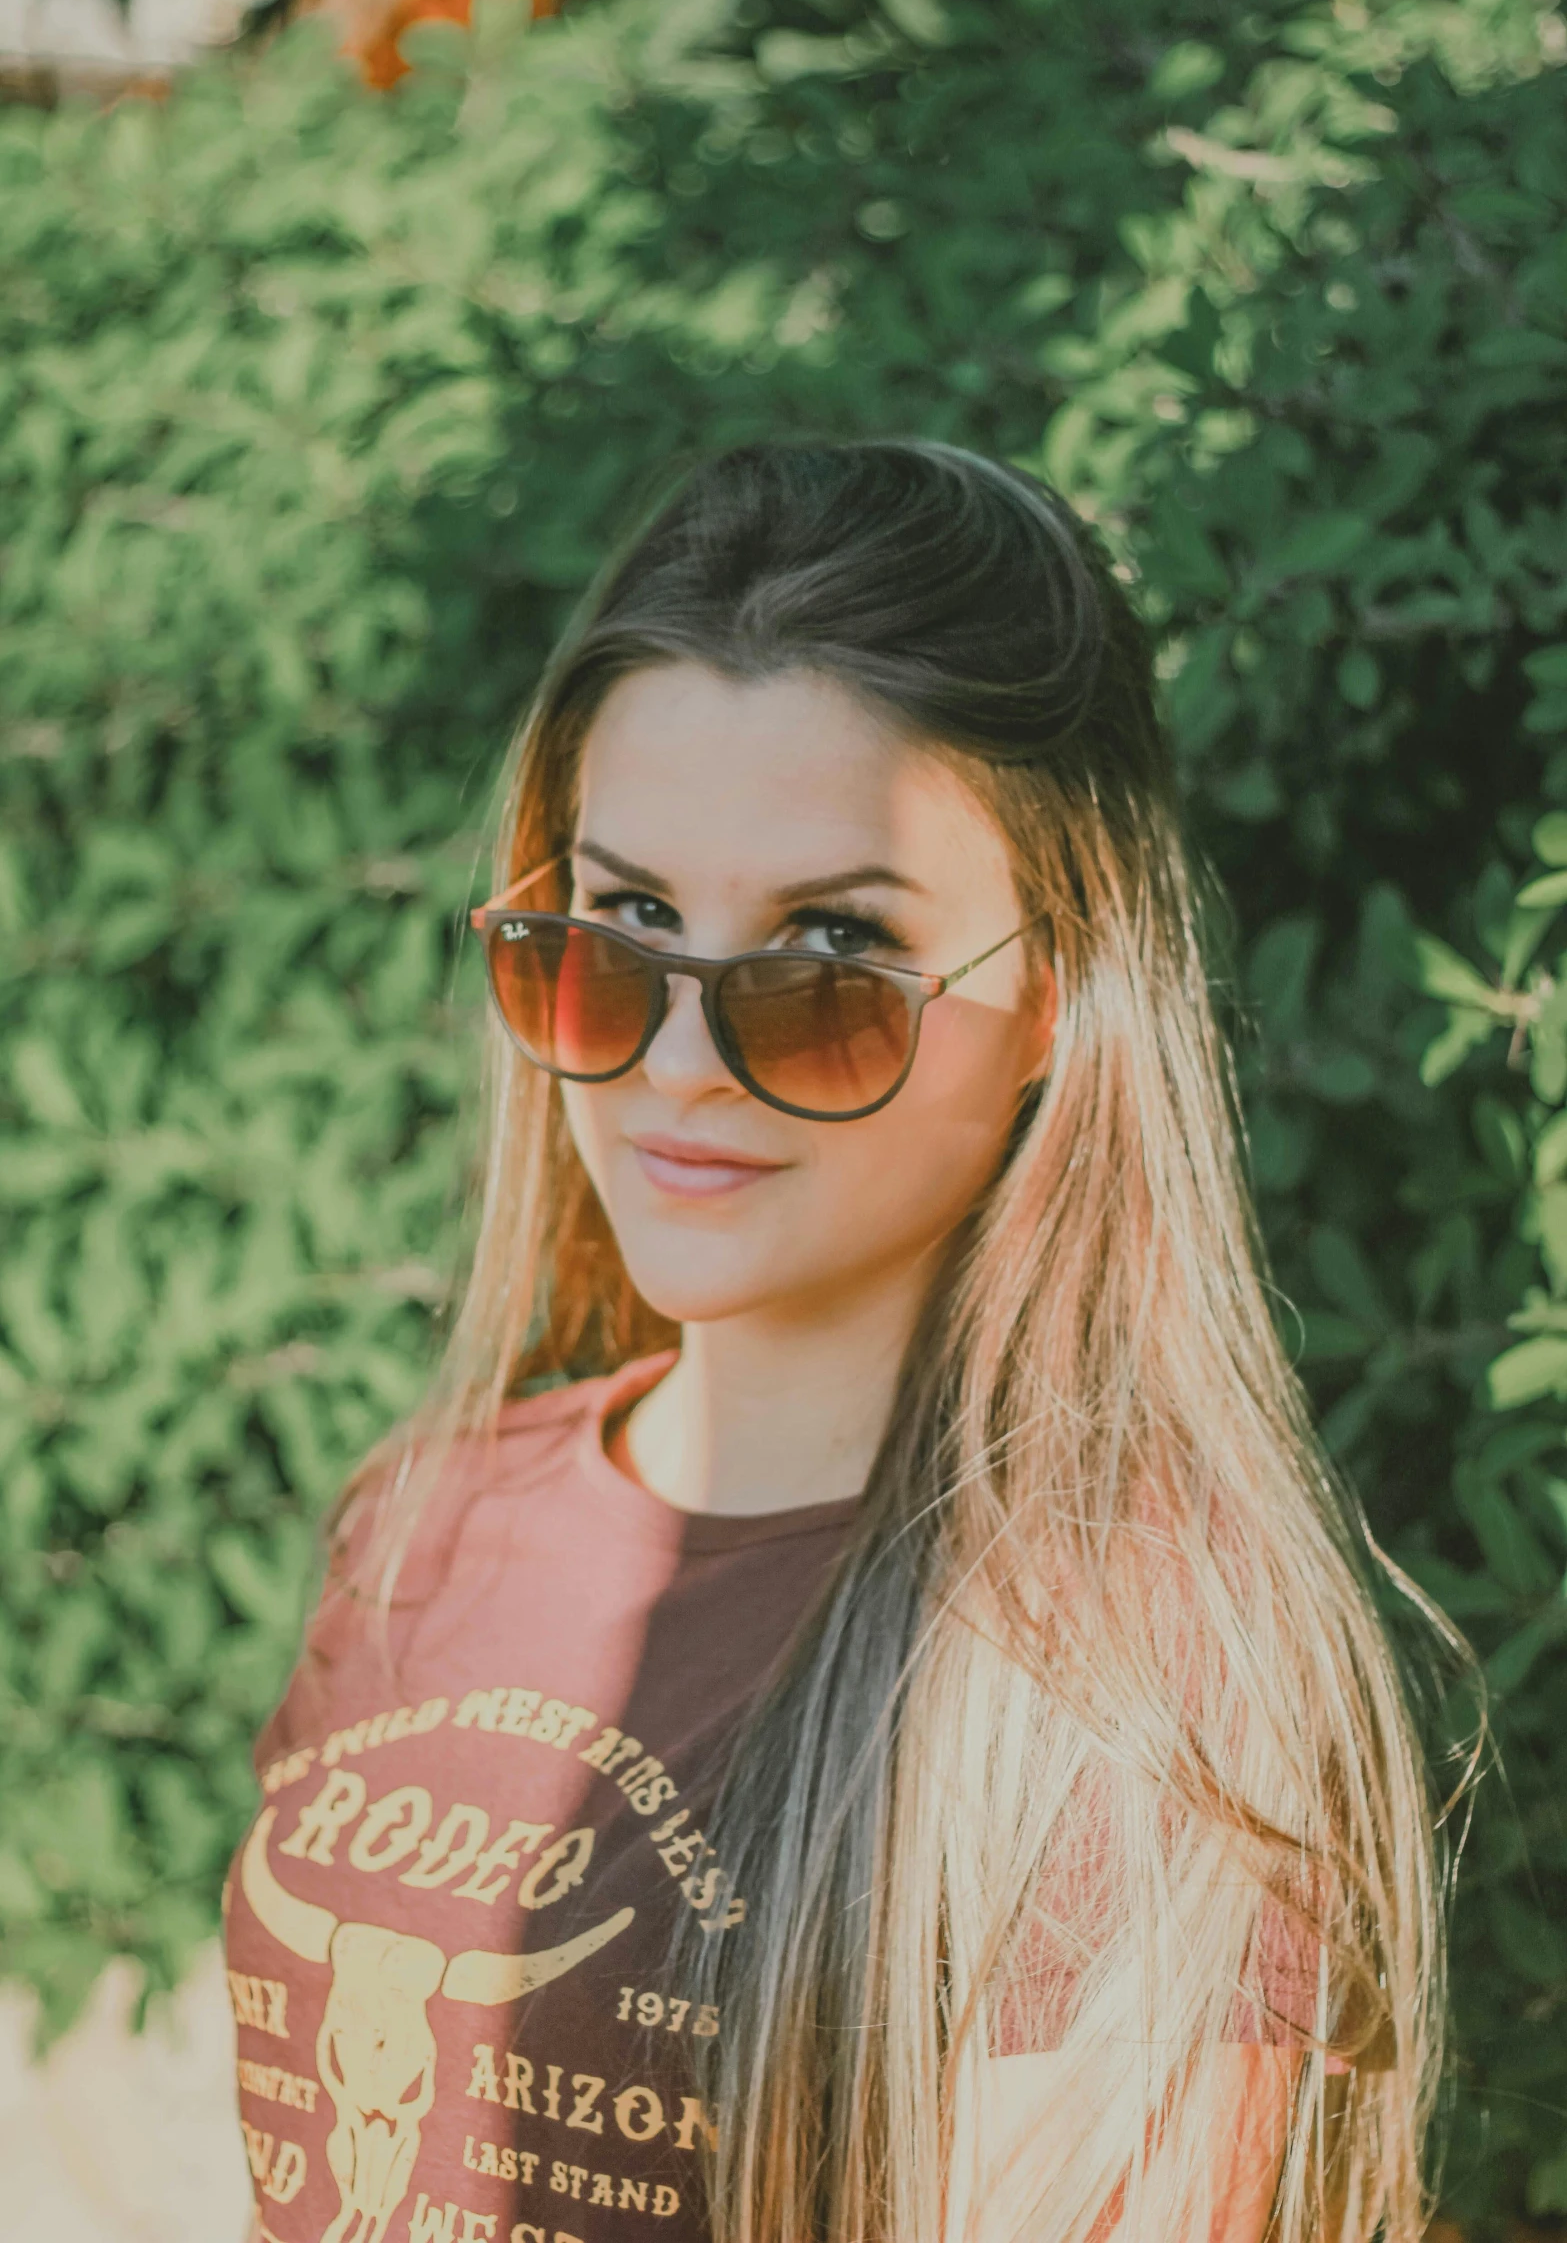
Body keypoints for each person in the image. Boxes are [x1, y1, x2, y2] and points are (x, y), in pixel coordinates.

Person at [226, 439, 1450, 2243]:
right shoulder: (421, 1523)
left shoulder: (1118, 1684)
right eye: (626, 920)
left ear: (1059, 993)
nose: (679, 1063)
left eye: (829, 953)